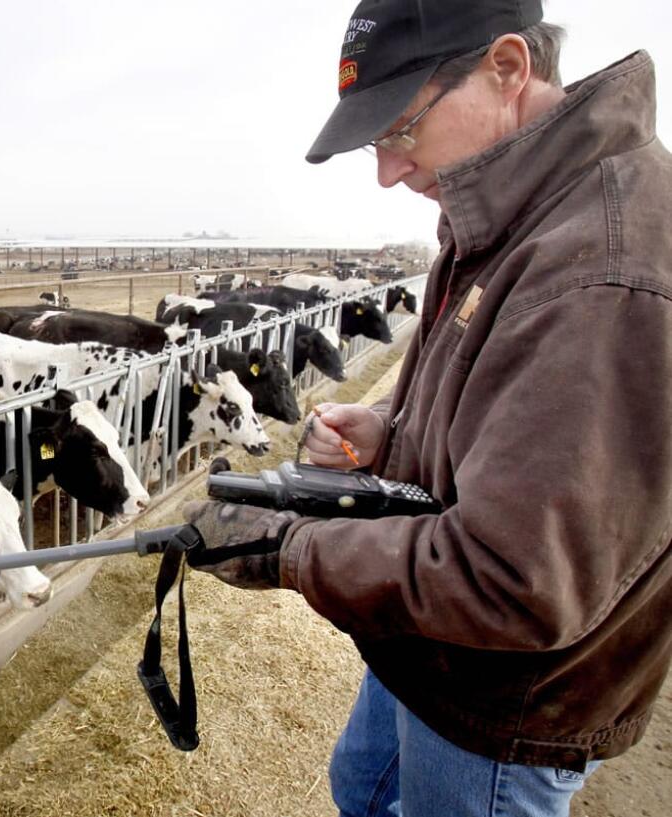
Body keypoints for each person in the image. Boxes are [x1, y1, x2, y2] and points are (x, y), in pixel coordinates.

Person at [182, 1, 672, 815]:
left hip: (505, 699)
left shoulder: (600, 269)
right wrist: (398, 431)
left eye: (399, 130)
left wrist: (293, 548)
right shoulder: (513, 207)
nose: (386, 170)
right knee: (360, 788)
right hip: (438, 650)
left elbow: (515, 581)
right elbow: (520, 421)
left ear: (508, 69)